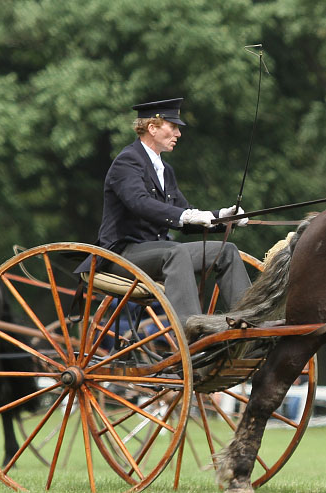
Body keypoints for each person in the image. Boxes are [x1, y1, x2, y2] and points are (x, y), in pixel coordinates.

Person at [85, 97, 251, 327]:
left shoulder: (165, 170)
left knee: (226, 251)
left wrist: (223, 217)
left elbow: (185, 213)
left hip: (160, 251)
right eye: (172, 127)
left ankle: (249, 321)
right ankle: (192, 329)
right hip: (123, 254)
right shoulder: (127, 161)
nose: (178, 134)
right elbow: (139, 203)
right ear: (152, 128)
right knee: (177, 252)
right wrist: (186, 216)